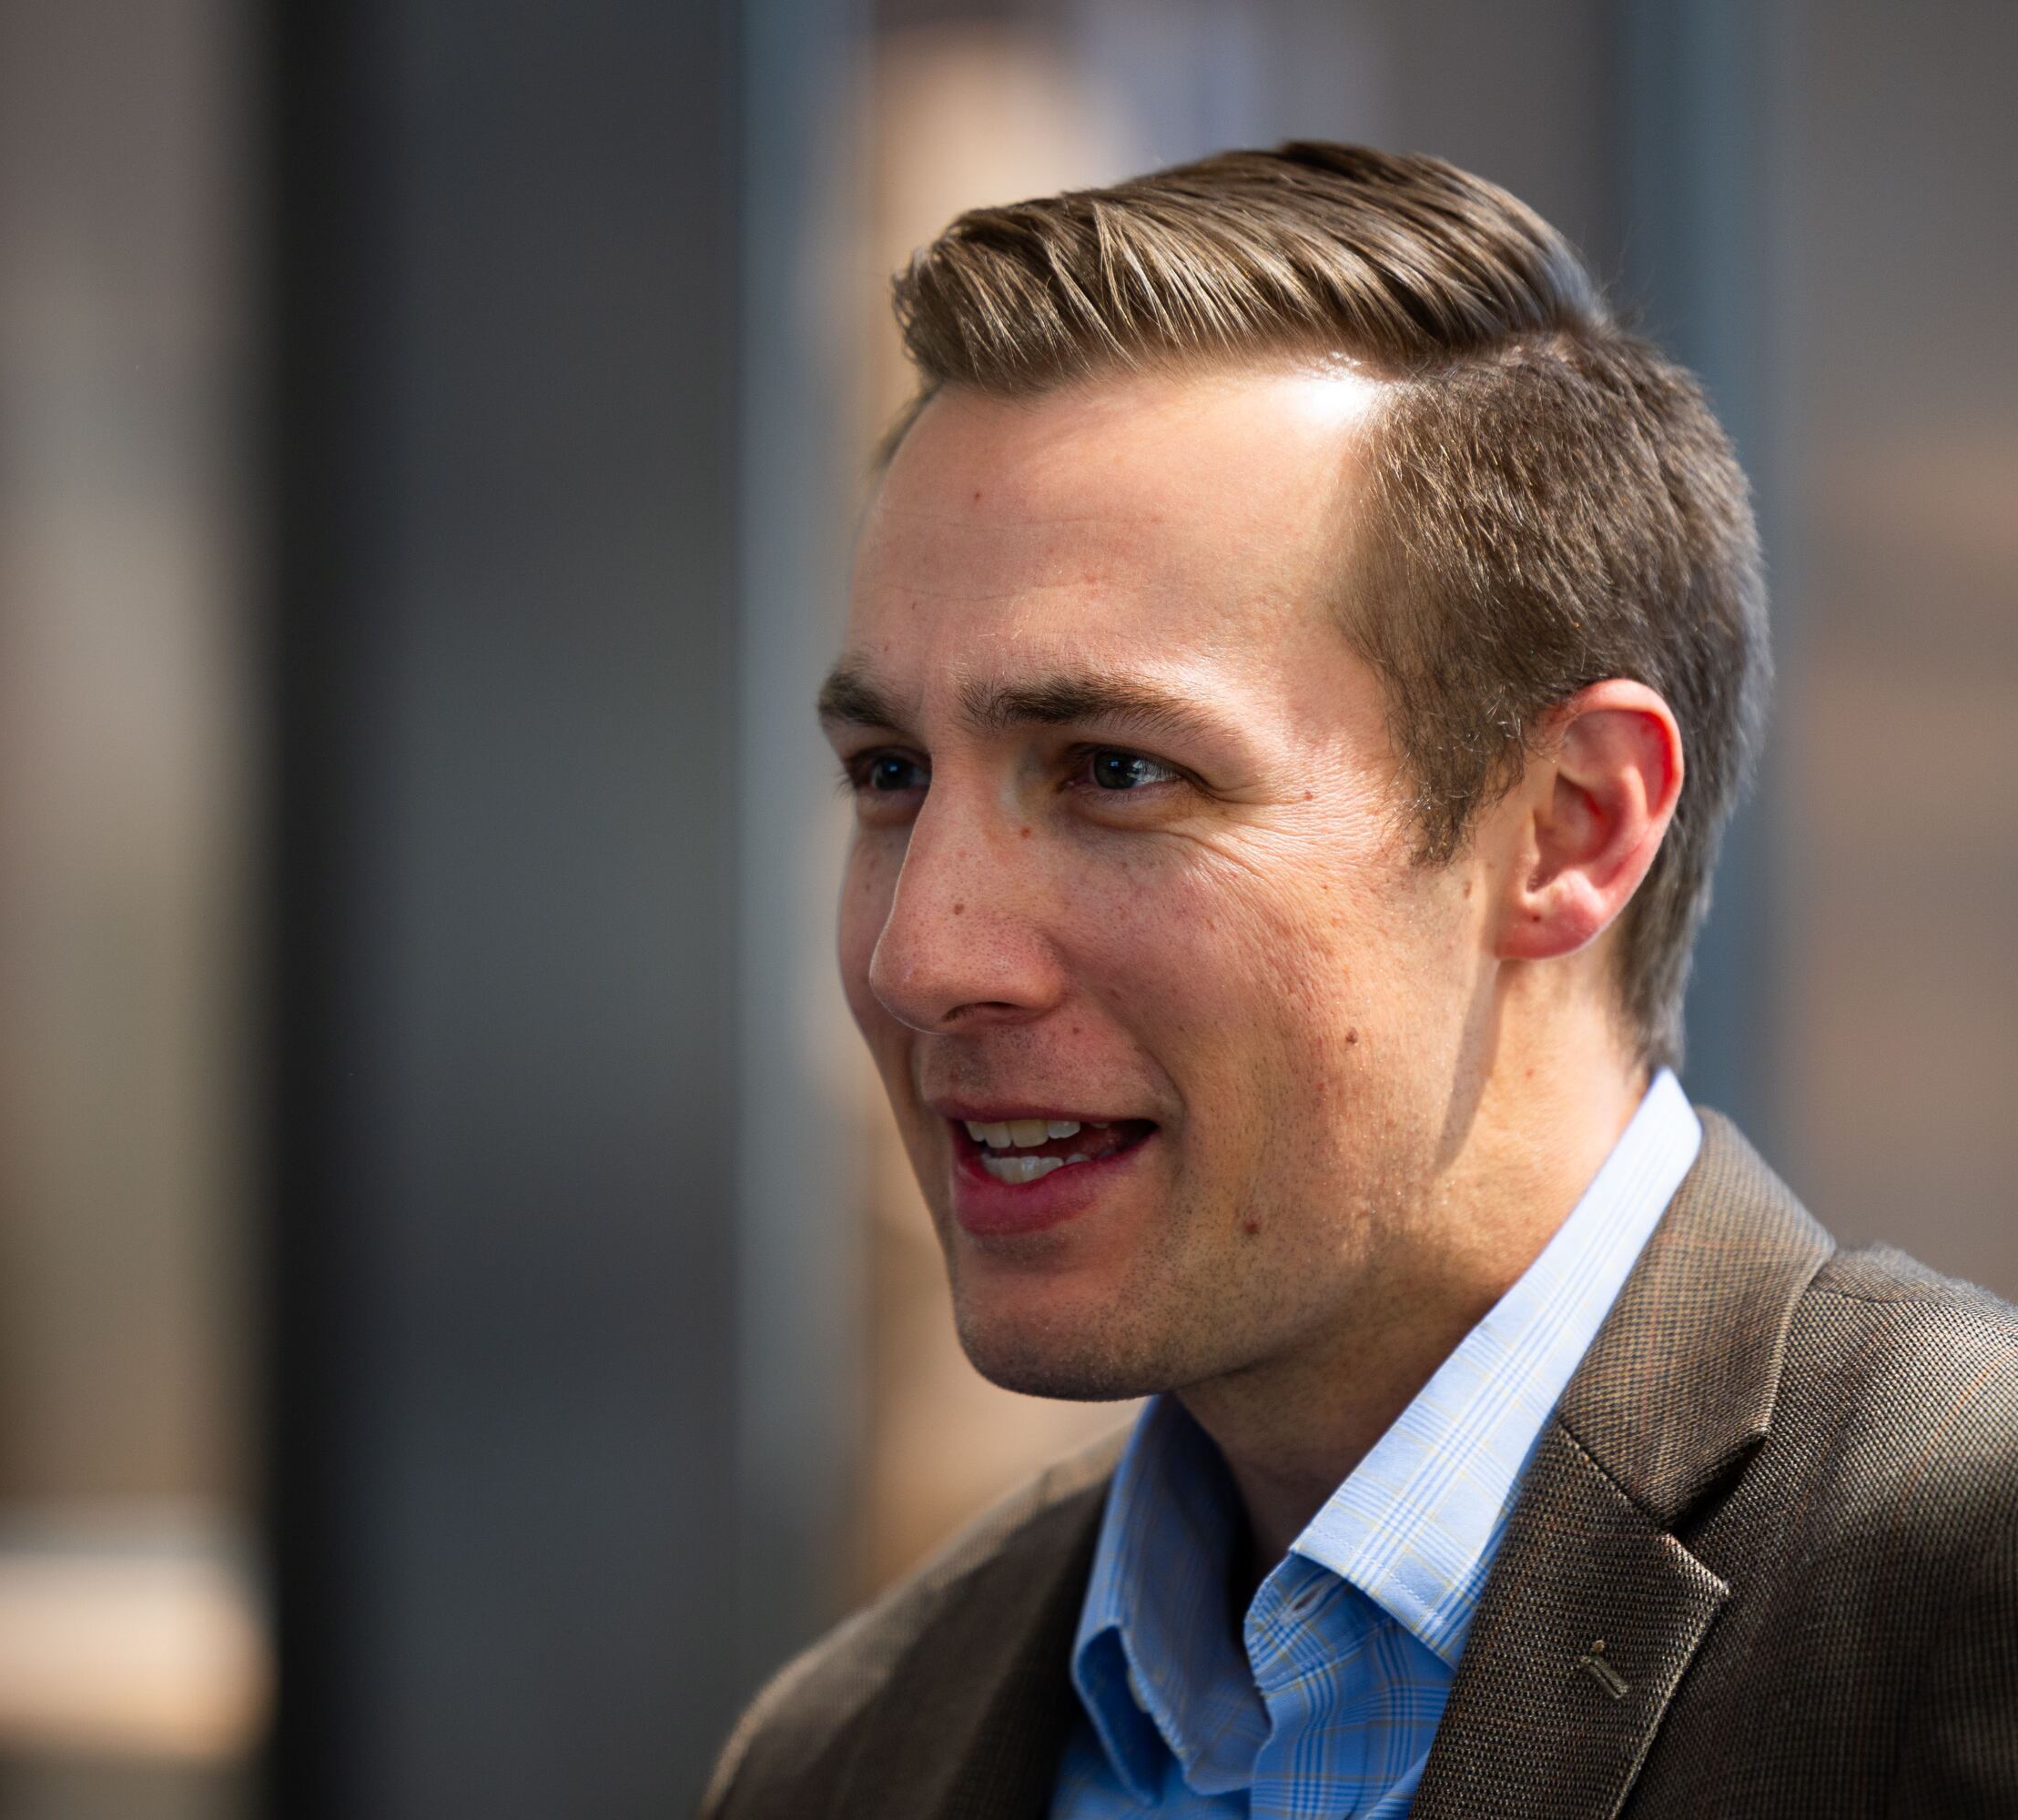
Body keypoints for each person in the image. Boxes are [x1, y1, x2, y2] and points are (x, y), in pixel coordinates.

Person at [703, 143, 2018, 1819]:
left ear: (1567, 828)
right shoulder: (849, 1751)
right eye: (889, 774)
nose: (921, 958)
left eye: (1113, 771)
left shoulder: (1963, 1599)